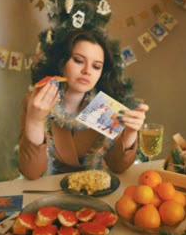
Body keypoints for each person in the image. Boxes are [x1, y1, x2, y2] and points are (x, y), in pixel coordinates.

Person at [18, 30, 149, 179]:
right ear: (62, 63)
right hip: (49, 193)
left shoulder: (106, 107)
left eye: (96, 66)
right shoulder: (35, 103)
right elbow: (31, 173)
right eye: (79, 60)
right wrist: (35, 121)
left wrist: (130, 132)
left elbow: (118, 167)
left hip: (96, 191)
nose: (87, 71)